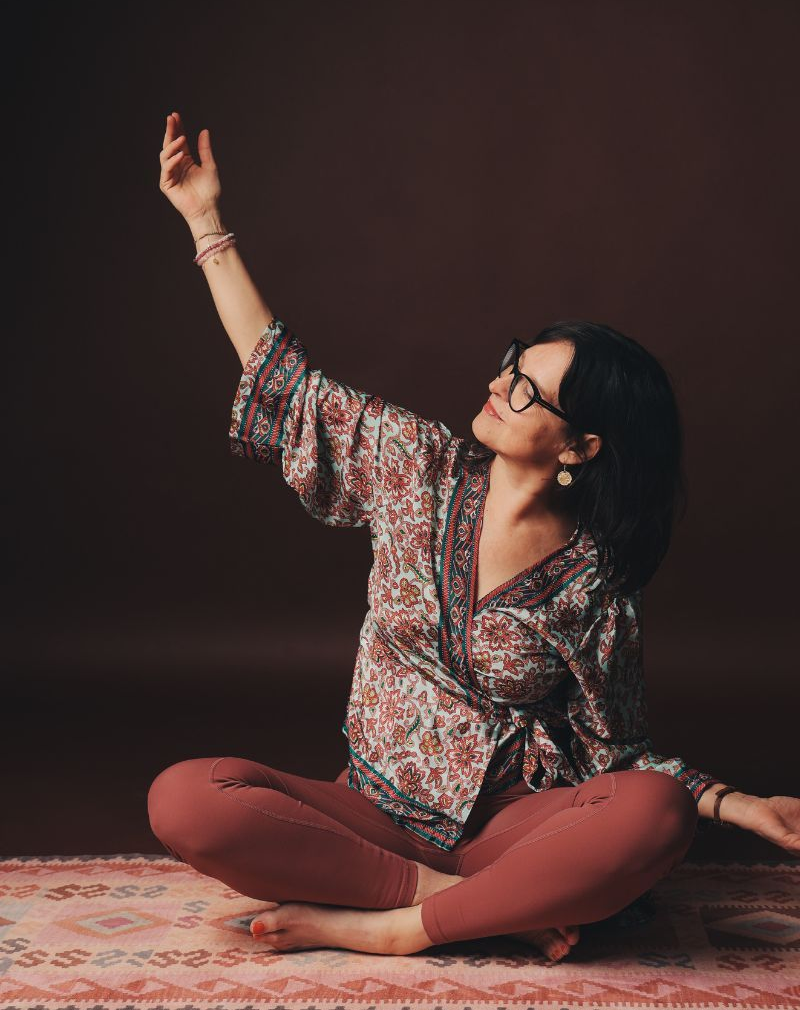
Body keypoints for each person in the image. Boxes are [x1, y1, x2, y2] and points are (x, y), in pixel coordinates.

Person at [148, 111, 800, 960]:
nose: (499, 384)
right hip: (371, 811)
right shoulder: (414, 463)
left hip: (509, 829)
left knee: (655, 815)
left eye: (527, 390)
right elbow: (288, 383)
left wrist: (734, 803)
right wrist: (204, 220)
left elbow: (621, 754)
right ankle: (458, 904)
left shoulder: (594, 582)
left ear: (580, 447)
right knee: (187, 800)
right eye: (513, 363)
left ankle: (395, 928)